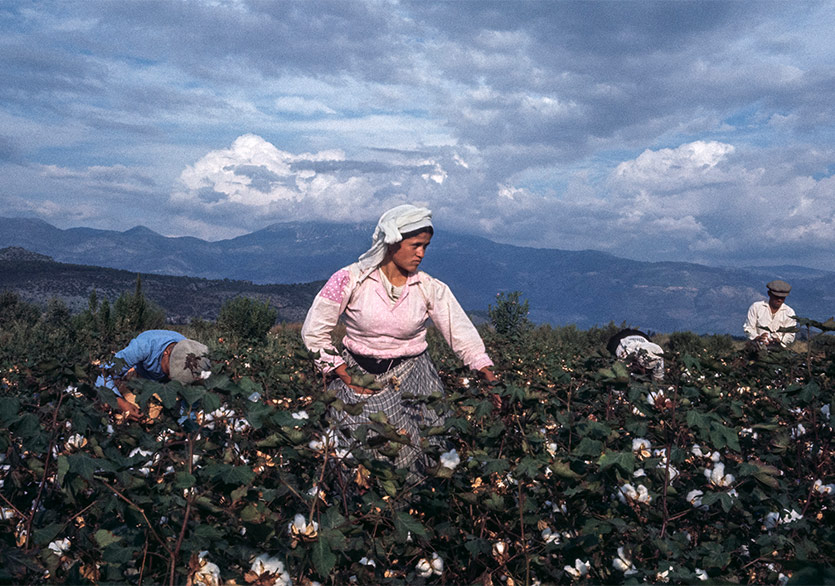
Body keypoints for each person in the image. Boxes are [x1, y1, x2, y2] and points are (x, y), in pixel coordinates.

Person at [301, 204, 497, 476]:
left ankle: (413, 508)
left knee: (418, 453)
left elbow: (461, 333)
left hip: (413, 379)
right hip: (357, 376)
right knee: (358, 456)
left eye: (425, 247)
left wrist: (486, 372)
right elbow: (314, 331)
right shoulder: (349, 279)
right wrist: (345, 375)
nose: (421, 254)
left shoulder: (429, 288)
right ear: (392, 243)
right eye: (415, 245)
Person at [97, 330, 211, 419]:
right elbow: (103, 375)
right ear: (166, 353)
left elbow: (191, 399)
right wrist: (122, 404)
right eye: (170, 371)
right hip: (141, 377)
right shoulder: (143, 347)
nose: (171, 377)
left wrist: (185, 424)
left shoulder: (194, 357)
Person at [743, 279, 796, 348]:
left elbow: (791, 335)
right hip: (757, 347)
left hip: (778, 350)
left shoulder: (789, 313)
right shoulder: (756, 307)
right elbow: (748, 328)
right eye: (776, 296)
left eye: (782, 297)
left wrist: (780, 341)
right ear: (769, 294)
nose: (779, 300)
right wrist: (757, 337)